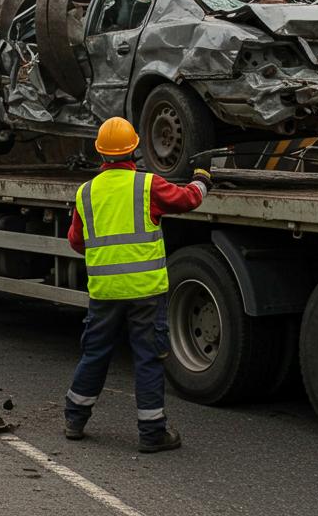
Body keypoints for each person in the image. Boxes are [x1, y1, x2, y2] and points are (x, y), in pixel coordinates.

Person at [64, 116, 212, 453]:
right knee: (147, 359)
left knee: (95, 354)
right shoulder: (148, 185)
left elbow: (76, 241)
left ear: (100, 152)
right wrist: (203, 177)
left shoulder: (86, 192)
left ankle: (74, 420)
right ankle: (151, 433)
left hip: (104, 292)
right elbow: (188, 199)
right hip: (145, 291)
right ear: (134, 148)